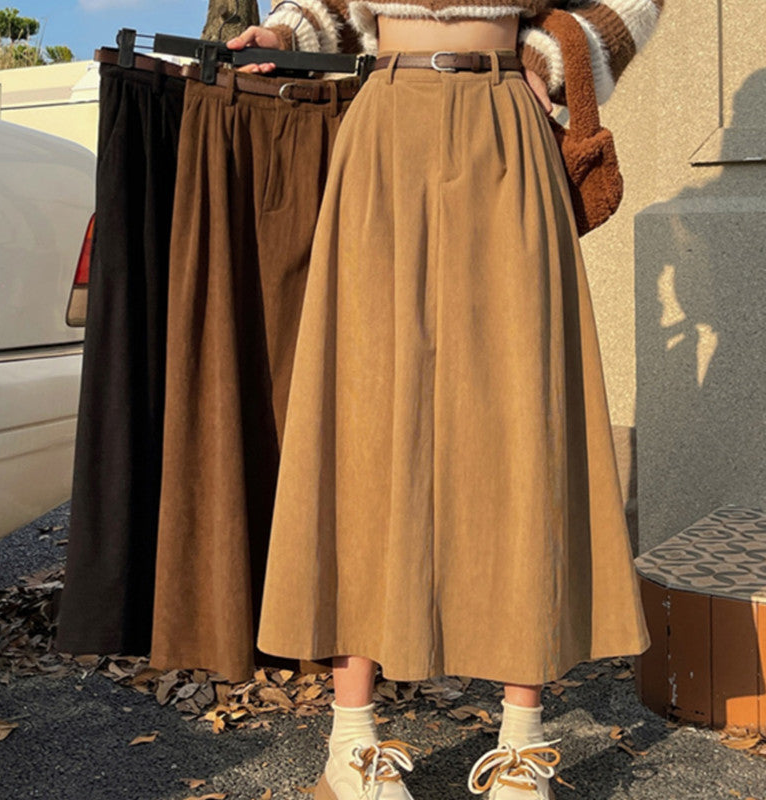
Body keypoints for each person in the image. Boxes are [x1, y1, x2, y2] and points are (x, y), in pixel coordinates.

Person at [227, 2, 663, 798]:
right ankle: (351, 746)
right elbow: (341, 8)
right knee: (362, 417)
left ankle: (523, 746)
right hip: (385, 123)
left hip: (506, 121)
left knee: (522, 414)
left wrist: (546, 63)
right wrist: (291, 33)